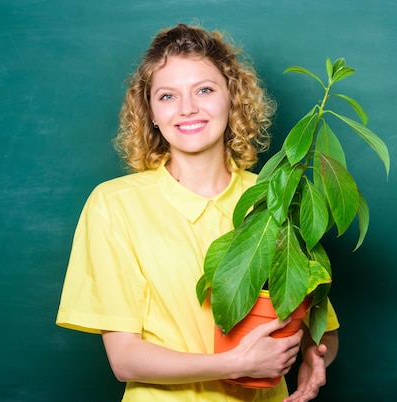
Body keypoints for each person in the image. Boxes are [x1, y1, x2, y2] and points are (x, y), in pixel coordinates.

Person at [56, 23, 339, 402]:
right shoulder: (114, 205)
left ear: (232, 99)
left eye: (204, 90)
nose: (187, 108)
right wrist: (236, 364)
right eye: (167, 96)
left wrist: (314, 357)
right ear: (151, 112)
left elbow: (318, 325)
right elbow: (125, 359)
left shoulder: (276, 196)